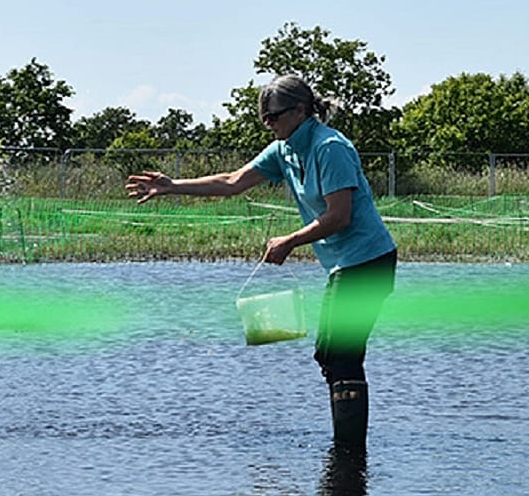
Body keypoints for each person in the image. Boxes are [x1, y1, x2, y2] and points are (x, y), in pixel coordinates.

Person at [125, 74, 397, 446]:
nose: (268, 124)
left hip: (368, 261)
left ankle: (349, 457)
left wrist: (290, 241)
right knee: (331, 353)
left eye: (273, 116)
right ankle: (347, 454)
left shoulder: (329, 147)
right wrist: (173, 186)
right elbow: (233, 181)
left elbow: (340, 216)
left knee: (341, 353)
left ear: (300, 111)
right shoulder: (284, 149)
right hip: (345, 265)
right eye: (263, 119)